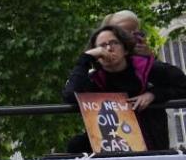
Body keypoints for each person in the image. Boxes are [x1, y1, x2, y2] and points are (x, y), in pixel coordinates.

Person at [63, 24, 186, 153]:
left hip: (149, 145)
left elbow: (183, 87)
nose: (108, 49)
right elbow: (70, 96)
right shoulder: (94, 79)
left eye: (114, 43)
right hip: (112, 147)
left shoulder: (149, 69)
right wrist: (85, 59)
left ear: (125, 49)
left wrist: (154, 94)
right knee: (76, 145)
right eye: (101, 46)